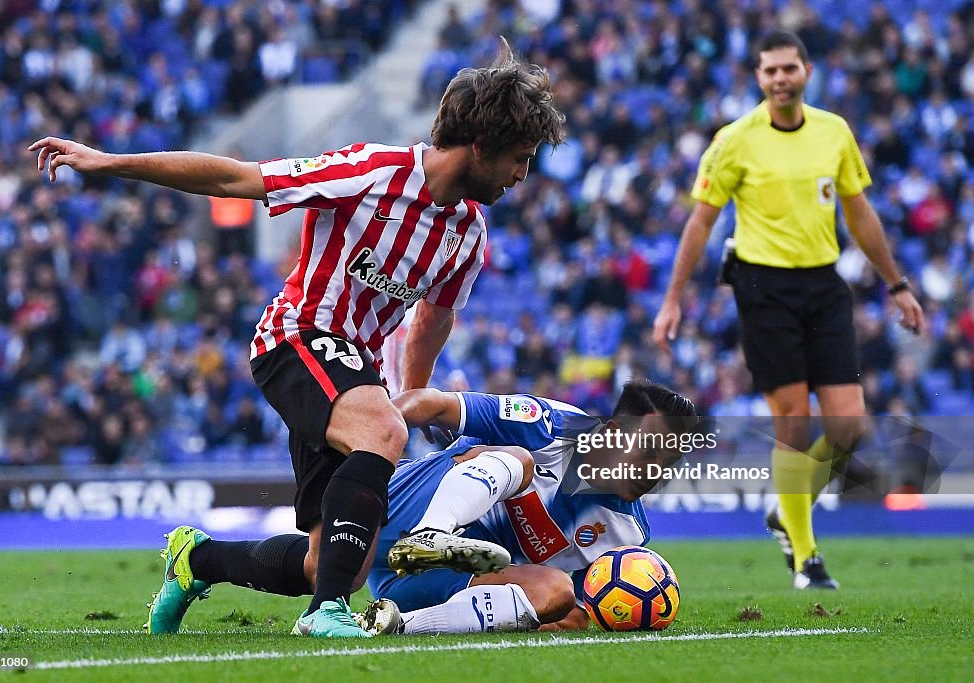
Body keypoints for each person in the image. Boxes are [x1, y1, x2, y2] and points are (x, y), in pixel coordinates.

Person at [32, 38, 566, 638]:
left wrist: (404, 405)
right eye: (520, 157)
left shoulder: (467, 233)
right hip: (296, 337)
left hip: (353, 370)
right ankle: (325, 618)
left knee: (332, 563)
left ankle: (196, 561)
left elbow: (432, 322)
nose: (524, 174)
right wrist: (109, 162)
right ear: (480, 145)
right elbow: (237, 179)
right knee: (363, 495)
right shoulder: (371, 171)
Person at [651, 30, 925, 590]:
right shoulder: (734, 141)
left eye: (789, 69)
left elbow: (860, 212)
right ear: (758, 77)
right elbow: (700, 221)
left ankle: (786, 505)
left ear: (806, 71)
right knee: (794, 422)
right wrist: (674, 297)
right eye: (770, 70)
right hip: (763, 288)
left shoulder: (834, 132)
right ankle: (806, 558)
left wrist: (897, 283)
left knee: (850, 425)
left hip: (824, 285)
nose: (780, 79)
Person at [146, 382, 696, 636]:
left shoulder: (625, 536)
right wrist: (374, 445)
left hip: (442, 583)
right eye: (651, 452)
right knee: (518, 462)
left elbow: (569, 612)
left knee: (555, 590)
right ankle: (434, 532)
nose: (657, 471)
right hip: (411, 498)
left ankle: (392, 625)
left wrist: (564, 615)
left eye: (670, 462)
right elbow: (431, 404)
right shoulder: (552, 424)